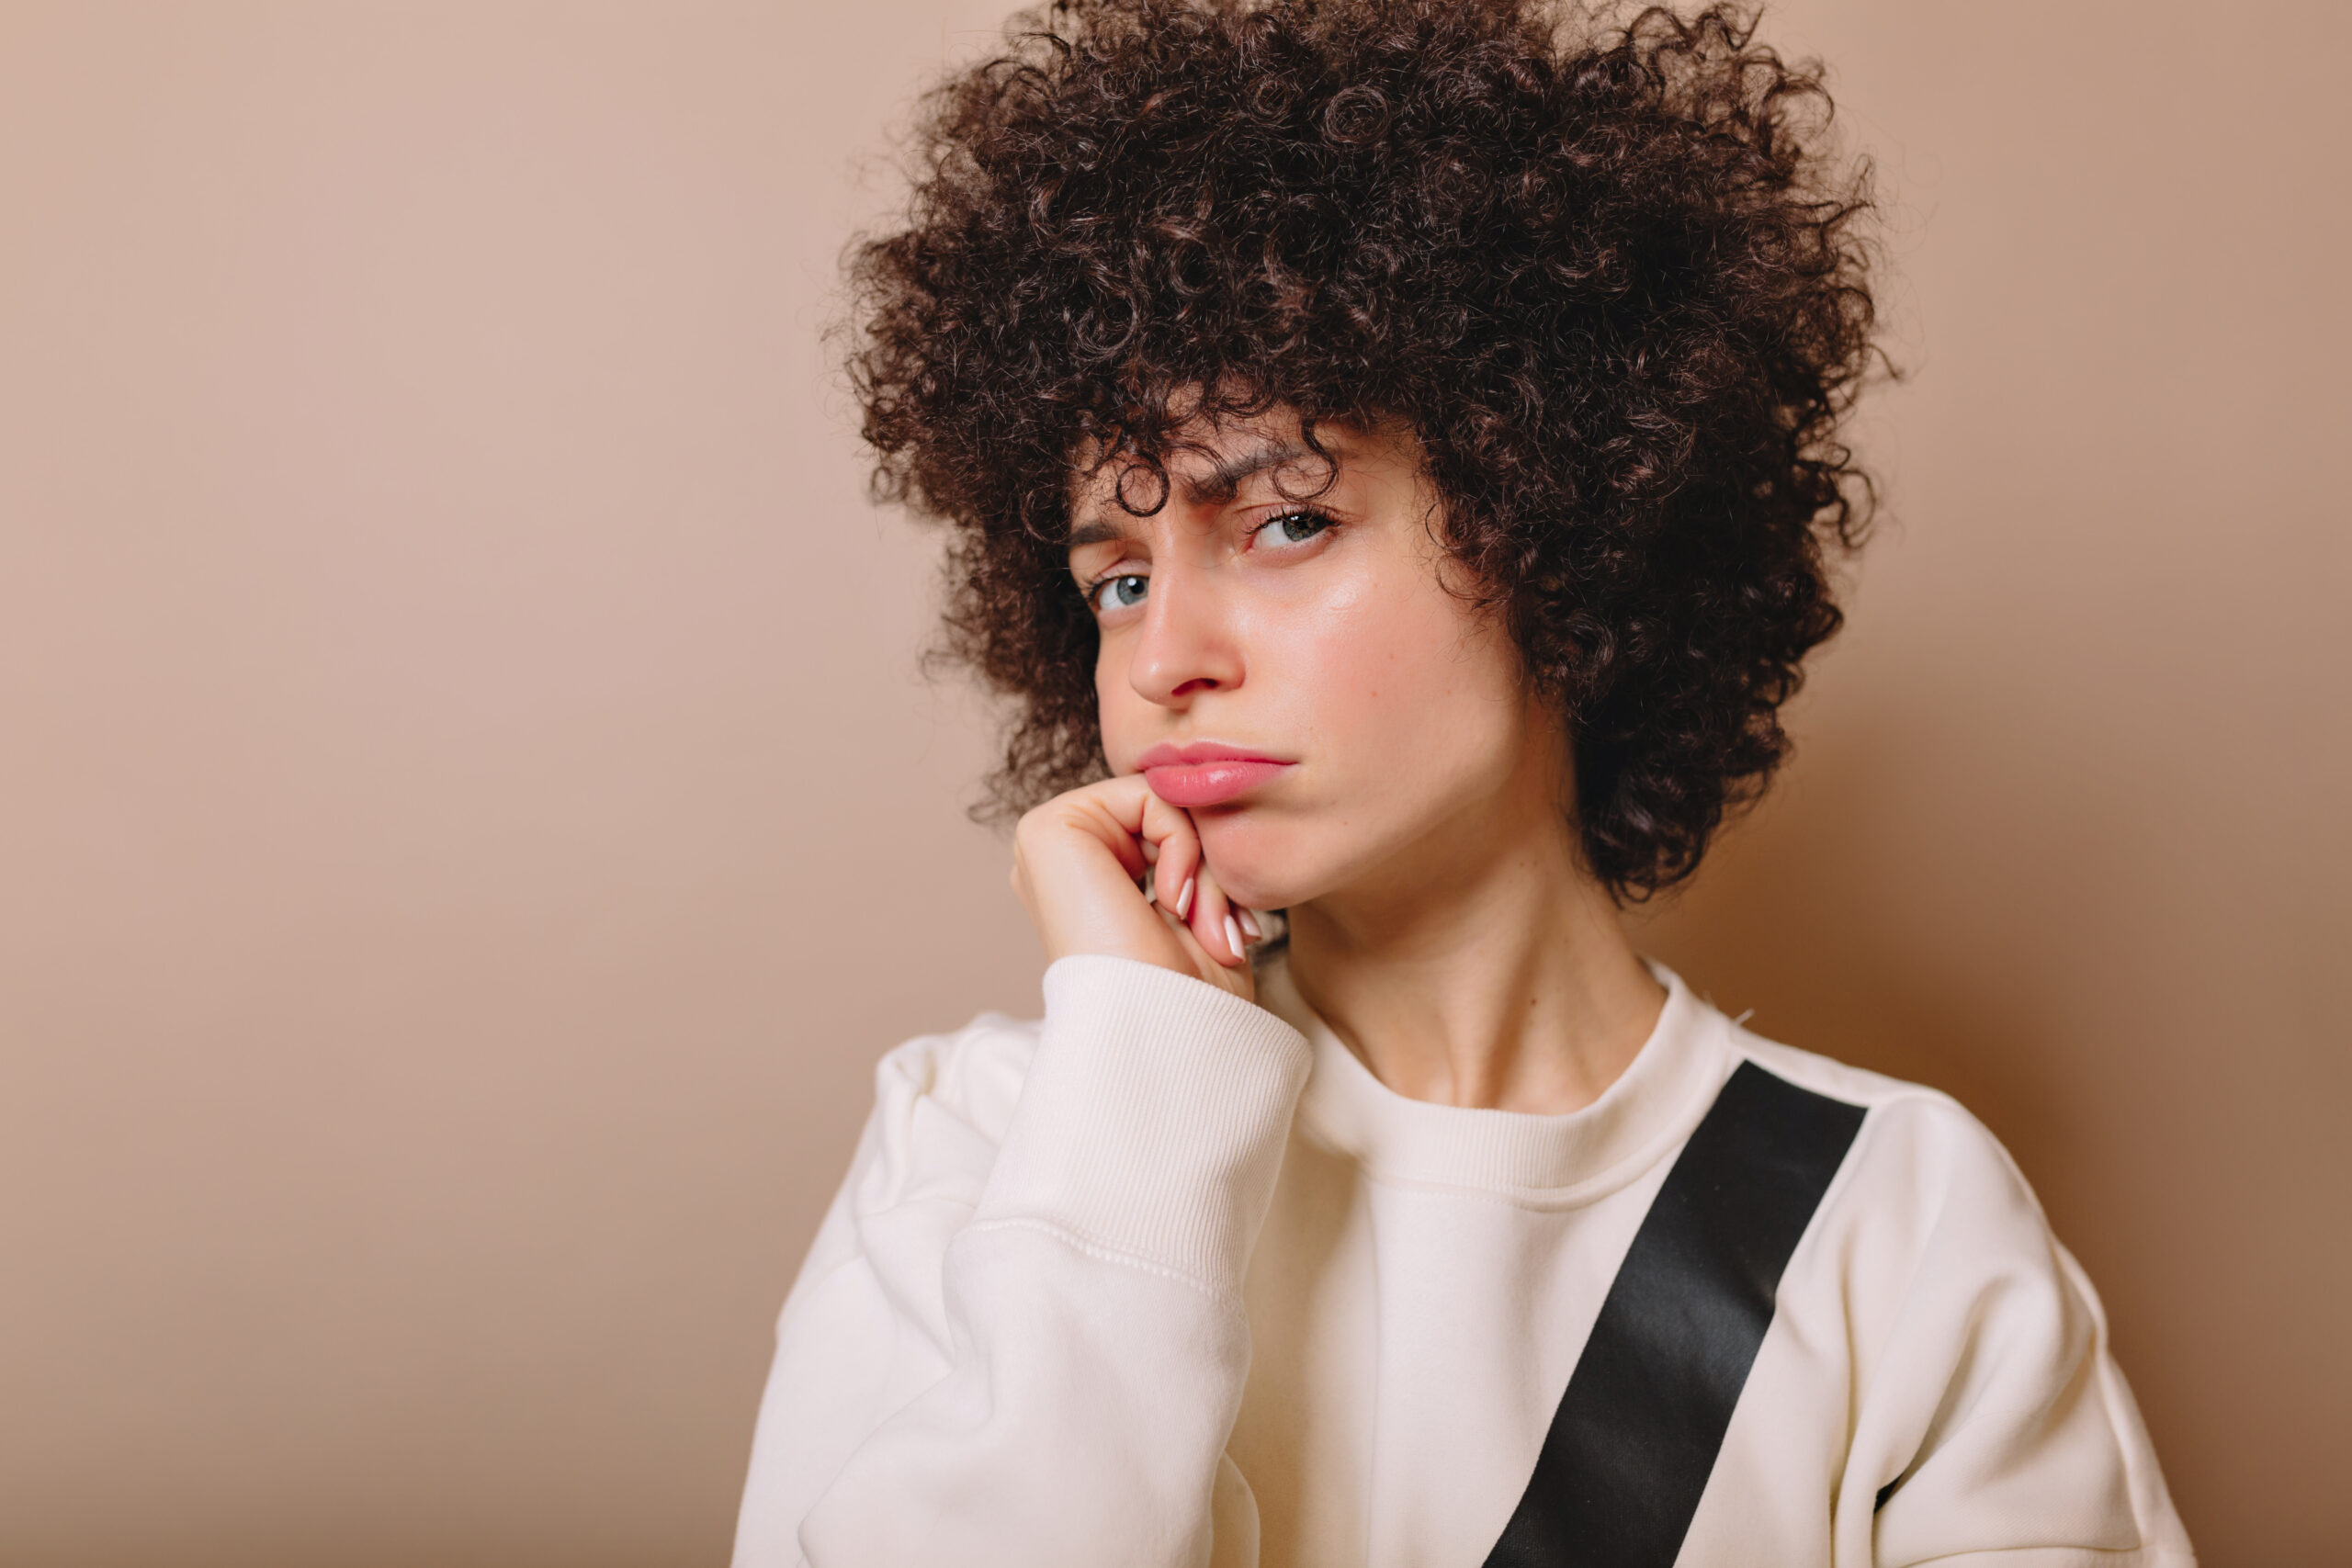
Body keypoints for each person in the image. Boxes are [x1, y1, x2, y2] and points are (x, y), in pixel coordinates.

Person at [730, 0, 2196, 1562]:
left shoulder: (1897, 1226)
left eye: (1287, 520)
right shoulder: (988, 1138)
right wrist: (1142, 1087)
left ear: (1556, 528)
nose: (1167, 659)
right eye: (1117, 580)